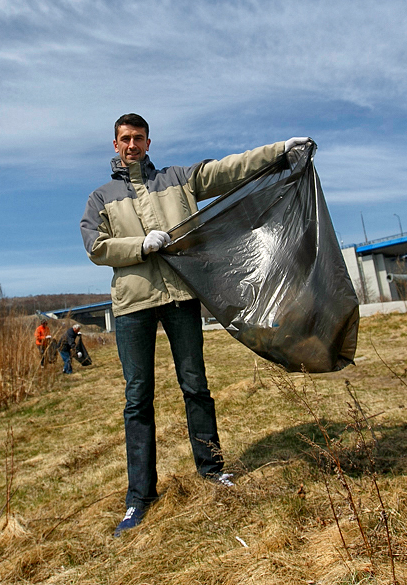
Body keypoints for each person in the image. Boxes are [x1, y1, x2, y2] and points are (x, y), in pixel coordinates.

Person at [80, 112, 310, 537]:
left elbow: (228, 170)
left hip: (181, 297)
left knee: (196, 386)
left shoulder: (179, 179)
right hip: (133, 304)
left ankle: (212, 471)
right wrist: (140, 246)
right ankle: (139, 497)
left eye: (139, 138)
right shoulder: (101, 197)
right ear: (115, 144)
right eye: (125, 139)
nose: (132, 145)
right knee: (137, 398)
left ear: (149, 142)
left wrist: (279, 151)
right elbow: (95, 246)